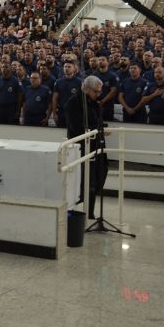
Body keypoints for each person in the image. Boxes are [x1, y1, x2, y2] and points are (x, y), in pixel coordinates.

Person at [65, 75, 108, 219]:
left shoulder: (94, 103)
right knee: (86, 182)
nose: (98, 94)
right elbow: (77, 127)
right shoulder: (73, 103)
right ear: (87, 89)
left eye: (99, 92)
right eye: (96, 91)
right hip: (82, 148)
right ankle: (86, 213)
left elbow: (97, 120)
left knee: (98, 178)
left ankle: (90, 211)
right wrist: (98, 128)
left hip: (97, 146)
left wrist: (102, 128)